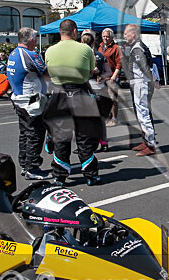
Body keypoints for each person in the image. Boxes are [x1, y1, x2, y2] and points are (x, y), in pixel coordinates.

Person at [43, 19, 103, 185]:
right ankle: (91, 175)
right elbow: (91, 70)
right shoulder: (85, 49)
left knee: (61, 136)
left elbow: (48, 72)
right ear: (75, 32)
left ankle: (60, 176)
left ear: (59, 32)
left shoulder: (49, 51)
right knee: (85, 136)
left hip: (58, 94)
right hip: (80, 93)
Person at [7, 27, 50, 180]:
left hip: (19, 99)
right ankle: (32, 167)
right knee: (35, 134)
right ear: (31, 40)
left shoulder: (13, 53)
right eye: (36, 38)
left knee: (25, 133)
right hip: (30, 101)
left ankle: (25, 164)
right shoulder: (30, 54)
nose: (36, 41)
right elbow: (46, 74)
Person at [124, 24, 158, 156]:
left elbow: (144, 67)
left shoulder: (137, 48)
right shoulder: (139, 46)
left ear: (134, 34)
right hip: (141, 83)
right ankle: (146, 140)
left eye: (126, 33)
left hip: (140, 83)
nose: (125, 36)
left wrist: (153, 80)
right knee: (142, 113)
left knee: (143, 114)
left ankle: (150, 144)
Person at [98, 28, 122, 126]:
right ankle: (106, 116)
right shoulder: (100, 47)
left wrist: (114, 76)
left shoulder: (116, 48)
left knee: (112, 98)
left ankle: (114, 117)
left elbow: (119, 64)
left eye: (107, 36)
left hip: (112, 76)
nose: (105, 38)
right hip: (102, 76)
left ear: (111, 37)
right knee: (104, 98)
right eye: (104, 36)